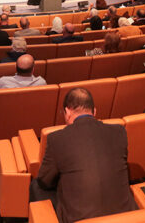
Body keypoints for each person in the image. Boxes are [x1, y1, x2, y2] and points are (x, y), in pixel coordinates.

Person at [32, 88, 135, 222]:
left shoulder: (56, 138)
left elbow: (44, 181)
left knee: (36, 186)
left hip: (81, 219)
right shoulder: (119, 131)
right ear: (94, 112)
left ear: (67, 112)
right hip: (126, 218)